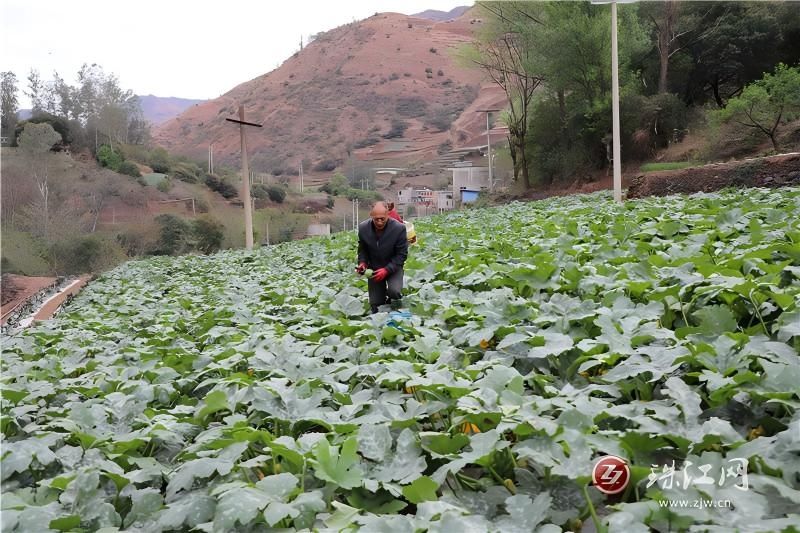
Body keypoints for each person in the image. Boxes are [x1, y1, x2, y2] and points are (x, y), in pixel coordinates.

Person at [356, 202, 408, 313]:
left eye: (382, 219)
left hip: (393, 267)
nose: (379, 222)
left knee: (394, 291)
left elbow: (401, 255)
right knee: (376, 304)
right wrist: (363, 263)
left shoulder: (399, 229)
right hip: (374, 268)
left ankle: (396, 311)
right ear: (371, 216)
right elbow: (363, 249)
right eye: (376, 219)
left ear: (388, 215)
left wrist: (386, 270)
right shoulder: (363, 228)